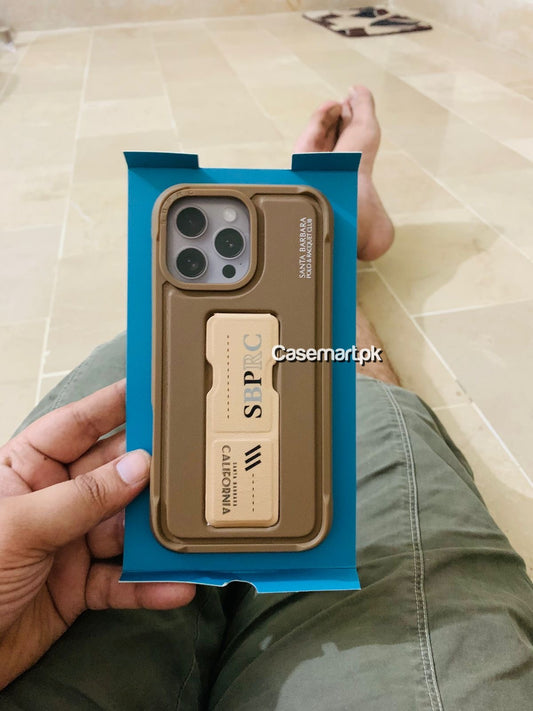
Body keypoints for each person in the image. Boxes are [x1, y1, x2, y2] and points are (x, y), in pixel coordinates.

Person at [0, 86, 532, 710]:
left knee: (160, 359)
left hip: (42, 628)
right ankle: (332, 241)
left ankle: (327, 236)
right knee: (352, 399)